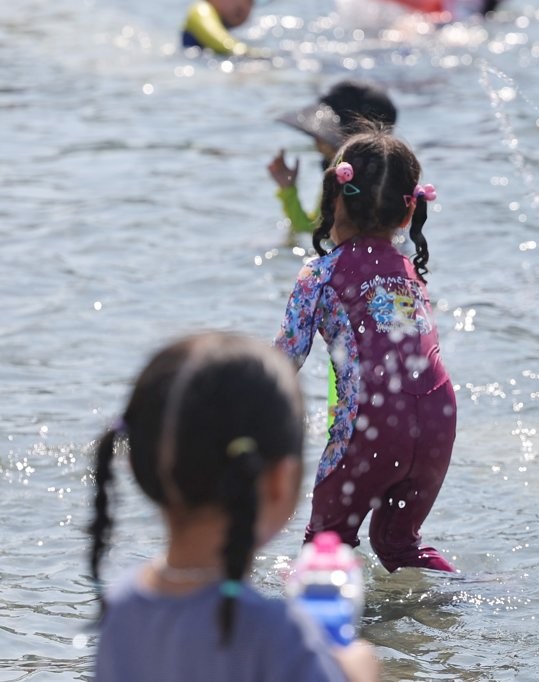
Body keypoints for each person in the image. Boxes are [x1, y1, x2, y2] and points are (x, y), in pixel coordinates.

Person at [87, 332, 378, 682]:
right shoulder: (280, 636)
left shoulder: (120, 612)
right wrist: (356, 669)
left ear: (137, 465)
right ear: (279, 482)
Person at [274, 124, 457, 573]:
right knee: (398, 546)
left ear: (334, 198)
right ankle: (472, 599)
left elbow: (280, 366)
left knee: (326, 545)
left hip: (371, 425)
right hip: (438, 420)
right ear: (407, 212)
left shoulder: (319, 276)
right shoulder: (409, 274)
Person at [268, 80, 399, 241]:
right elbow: (315, 227)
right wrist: (288, 188)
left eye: (323, 136)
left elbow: (316, 231)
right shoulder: (388, 173)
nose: (316, 142)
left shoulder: (344, 178)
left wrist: (289, 192)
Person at [181, 0, 262, 57]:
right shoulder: (201, 10)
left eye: (251, 1)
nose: (244, 5)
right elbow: (223, 44)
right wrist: (254, 55)